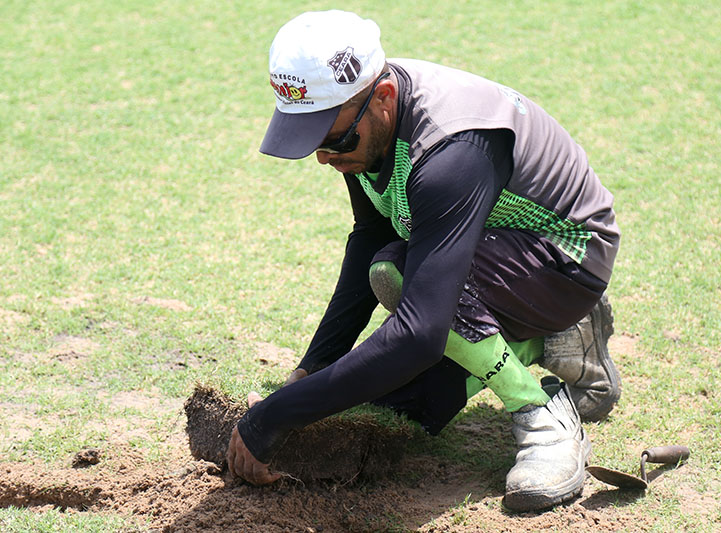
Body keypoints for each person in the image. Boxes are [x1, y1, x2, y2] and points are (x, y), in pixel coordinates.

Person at [226, 10, 621, 512]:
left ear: (383, 99)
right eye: (312, 142)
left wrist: (272, 417)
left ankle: (542, 412)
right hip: (494, 249)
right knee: (403, 408)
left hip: (565, 258)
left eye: (332, 139)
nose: (324, 158)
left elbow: (420, 332)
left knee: (398, 275)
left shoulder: (450, 152)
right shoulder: (363, 117)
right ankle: (551, 338)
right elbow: (370, 234)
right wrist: (314, 366)